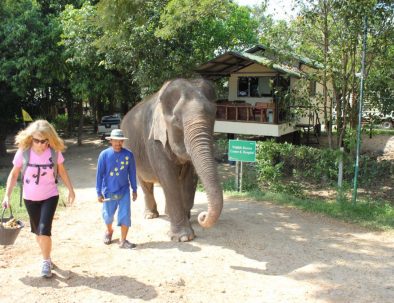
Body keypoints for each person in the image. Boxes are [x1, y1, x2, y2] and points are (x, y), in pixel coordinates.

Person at [1, 120, 75, 278]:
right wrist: (6, 196)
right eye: (36, 140)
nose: (40, 144)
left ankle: (45, 262)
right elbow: (14, 174)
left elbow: (61, 171)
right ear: (30, 138)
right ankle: (47, 257)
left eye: (44, 141)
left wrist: (70, 189)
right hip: (30, 198)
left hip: (50, 196)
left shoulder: (54, 152)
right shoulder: (24, 152)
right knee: (38, 233)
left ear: (49, 138)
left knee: (43, 229)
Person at [96, 129, 138, 249]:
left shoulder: (128, 155)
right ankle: (109, 231)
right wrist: (99, 192)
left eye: (120, 141)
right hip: (109, 191)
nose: (118, 144)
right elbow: (99, 174)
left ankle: (123, 240)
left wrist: (134, 189)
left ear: (123, 142)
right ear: (111, 141)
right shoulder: (104, 155)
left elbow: (132, 173)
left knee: (125, 215)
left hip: (124, 190)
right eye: (115, 141)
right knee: (108, 215)